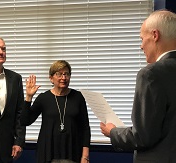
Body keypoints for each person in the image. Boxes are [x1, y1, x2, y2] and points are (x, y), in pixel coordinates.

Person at [100, 10, 176, 163]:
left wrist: (113, 132)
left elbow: (143, 137)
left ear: (155, 35)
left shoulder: (151, 74)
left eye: (142, 39)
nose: (141, 46)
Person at [21, 60, 90, 163]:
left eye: (66, 74)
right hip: (47, 153)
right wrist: (28, 97)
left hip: (72, 152)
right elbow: (25, 121)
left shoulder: (78, 97)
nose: (63, 78)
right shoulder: (44, 98)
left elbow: (85, 128)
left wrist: (85, 156)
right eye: (59, 74)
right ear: (51, 78)